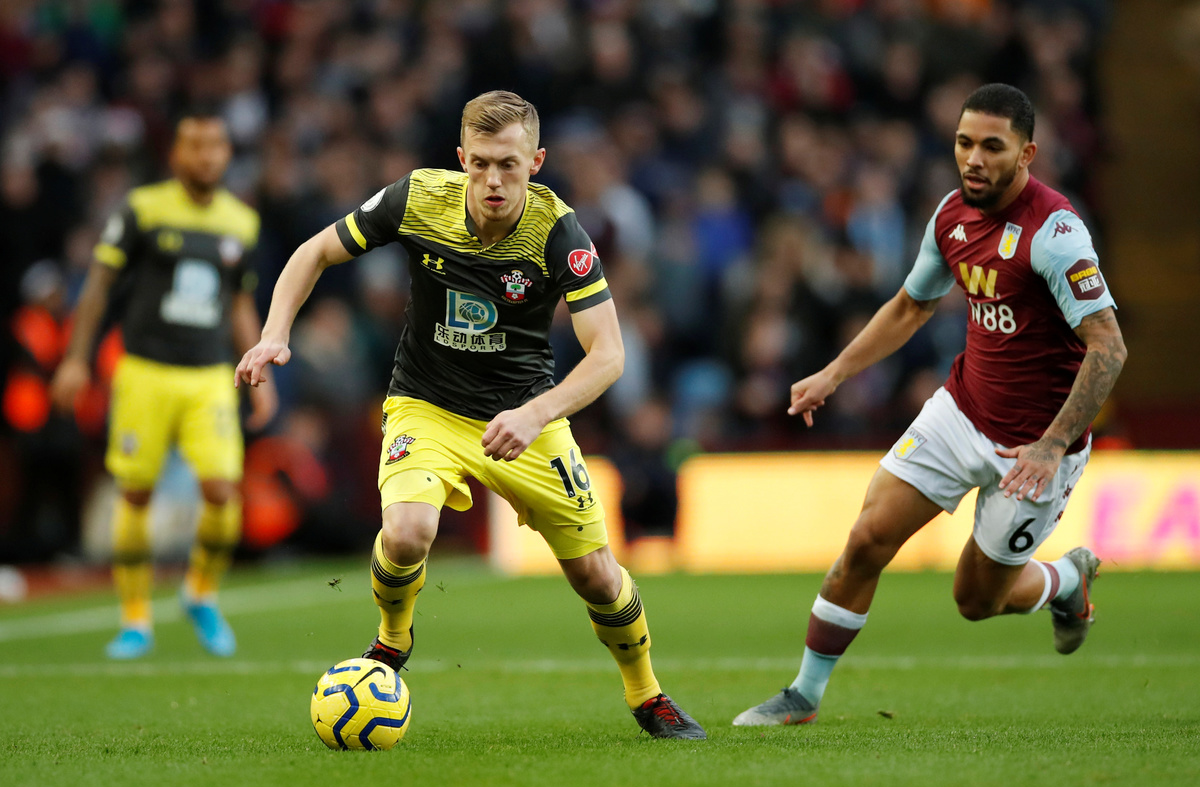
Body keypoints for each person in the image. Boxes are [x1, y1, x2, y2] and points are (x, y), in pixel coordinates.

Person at [236, 91, 706, 739]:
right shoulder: (417, 199)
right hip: (425, 405)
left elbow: (609, 355)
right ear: (461, 158)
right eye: (480, 163)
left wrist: (535, 414)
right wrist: (274, 333)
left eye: (508, 165)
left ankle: (647, 693)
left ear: (535, 162)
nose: (492, 180)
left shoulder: (560, 232)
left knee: (598, 575)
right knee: (406, 532)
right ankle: (392, 639)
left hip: (525, 416)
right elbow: (314, 251)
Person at [734, 83, 1126, 727]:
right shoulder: (950, 215)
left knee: (975, 600)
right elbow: (911, 306)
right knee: (867, 539)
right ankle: (803, 695)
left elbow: (1108, 348)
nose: (974, 158)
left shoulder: (1056, 234)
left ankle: (1065, 582)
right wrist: (834, 373)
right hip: (961, 412)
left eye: (992, 147)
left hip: (1034, 448)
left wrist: (1053, 444)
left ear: (1027, 154)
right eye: (964, 143)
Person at [51, 111, 277, 659]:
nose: (206, 155)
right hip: (144, 371)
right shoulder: (143, 209)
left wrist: (260, 369)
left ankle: (200, 593)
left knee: (223, 490)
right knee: (135, 493)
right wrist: (76, 358)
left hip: (208, 375)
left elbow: (240, 301)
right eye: (194, 145)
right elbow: (99, 284)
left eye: (215, 145)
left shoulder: (241, 222)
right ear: (175, 154)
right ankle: (135, 619)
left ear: (227, 154)